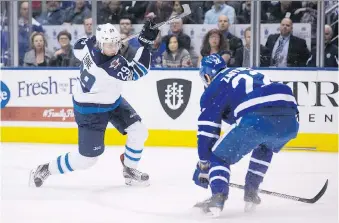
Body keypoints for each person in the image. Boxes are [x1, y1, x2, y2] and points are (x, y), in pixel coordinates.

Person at [29, 21, 159, 187]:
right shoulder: (107, 65)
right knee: (87, 160)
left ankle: (129, 170)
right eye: (109, 45)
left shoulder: (87, 46)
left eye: (115, 44)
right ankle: (46, 168)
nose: (114, 49)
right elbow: (138, 71)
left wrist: (104, 40)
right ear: (100, 43)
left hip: (112, 101)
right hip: (90, 111)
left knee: (139, 131)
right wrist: (145, 45)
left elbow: (77, 46)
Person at [193, 54, 299, 216]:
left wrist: (204, 164)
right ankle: (251, 192)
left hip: (257, 115)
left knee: (219, 157)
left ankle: (218, 197)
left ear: (207, 76)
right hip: (290, 114)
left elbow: (208, 131)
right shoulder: (243, 70)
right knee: (264, 144)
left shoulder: (214, 87)